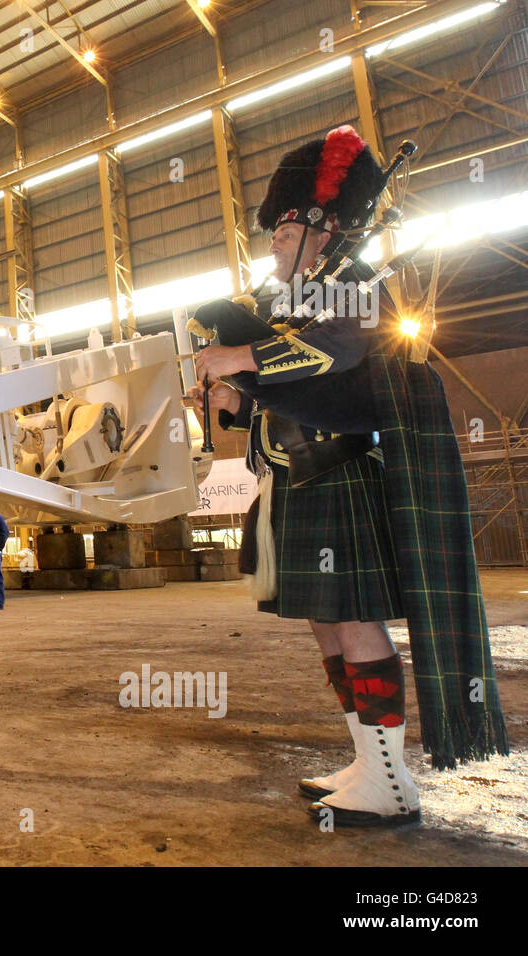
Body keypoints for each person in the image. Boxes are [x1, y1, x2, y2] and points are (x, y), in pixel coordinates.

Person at [189, 124, 508, 827]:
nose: (270, 242)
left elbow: (332, 355)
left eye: (280, 231)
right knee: (328, 627)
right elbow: (289, 390)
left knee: (355, 621)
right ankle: (369, 761)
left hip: (337, 475)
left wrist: (243, 356)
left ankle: (393, 782)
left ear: (317, 228)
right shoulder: (295, 302)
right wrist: (233, 397)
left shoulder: (354, 289)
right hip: (298, 479)